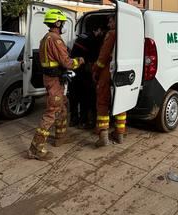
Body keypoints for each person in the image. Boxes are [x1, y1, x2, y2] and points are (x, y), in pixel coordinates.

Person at [29, 9, 84, 161]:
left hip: (52, 79)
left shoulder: (45, 38)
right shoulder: (56, 40)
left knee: (63, 107)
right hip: (54, 81)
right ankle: (35, 148)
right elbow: (67, 62)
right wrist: (80, 60)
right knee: (51, 112)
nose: (64, 26)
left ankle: (60, 137)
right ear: (58, 23)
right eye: (63, 23)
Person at [93, 15, 126, 147]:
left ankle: (103, 136)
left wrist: (95, 69)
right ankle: (120, 134)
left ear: (116, 21)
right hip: (123, 71)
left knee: (102, 103)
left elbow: (103, 56)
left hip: (108, 71)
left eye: (111, 20)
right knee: (121, 103)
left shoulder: (112, 34)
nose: (108, 23)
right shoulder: (128, 33)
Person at [68, 24, 105, 129]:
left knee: (73, 96)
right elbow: (95, 59)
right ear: (98, 29)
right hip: (83, 71)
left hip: (73, 69)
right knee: (85, 96)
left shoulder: (82, 36)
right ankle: (83, 121)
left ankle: (73, 119)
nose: (102, 34)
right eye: (101, 31)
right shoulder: (94, 40)